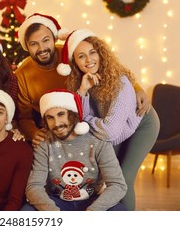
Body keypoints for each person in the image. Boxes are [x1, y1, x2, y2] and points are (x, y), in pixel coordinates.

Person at [56, 28, 160, 210]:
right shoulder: (81, 81)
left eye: (92, 52)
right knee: (108, 177)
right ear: (75, 63)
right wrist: (83, 91)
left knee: (123, 178)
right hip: (114, 125)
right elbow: (80, 121)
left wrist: (87, 119)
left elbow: (110, 133)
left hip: (142, 122)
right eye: (81, 56)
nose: (88, 60)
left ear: (100, 53)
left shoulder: (120, 82)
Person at [15, 13, 151, 146]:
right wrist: (33, 132)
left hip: (116, 123)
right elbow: (24, 117)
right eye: (34, 44)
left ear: (54, 38)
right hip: (73, 128)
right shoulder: (22, 74)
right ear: (27, 46)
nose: (42, 48)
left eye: (46, 40)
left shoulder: (70, 54)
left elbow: (111, 67)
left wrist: (136, 87)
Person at [24, 89, 127, 211]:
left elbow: (118, 185)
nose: (56, 123)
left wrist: (93, 212)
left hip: (93, 201)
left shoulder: (98, 140)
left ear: (73, 114)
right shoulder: (43, 142)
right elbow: (34, 186)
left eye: (61, 114)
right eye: (50, 117)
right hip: (56, 202)